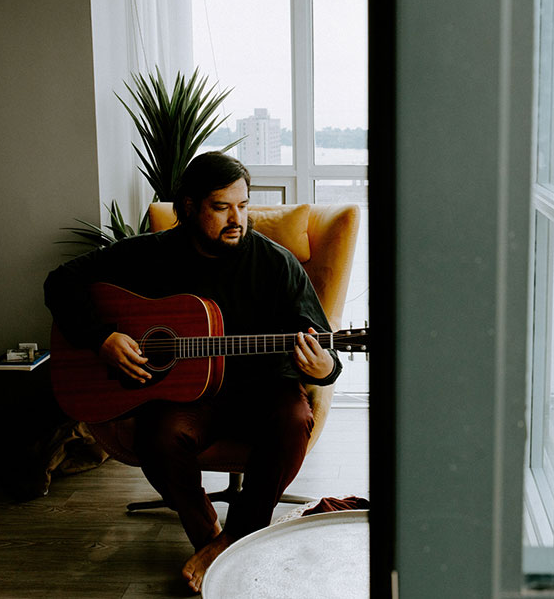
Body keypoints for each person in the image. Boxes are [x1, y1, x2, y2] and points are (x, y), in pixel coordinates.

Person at [44, 151, 341, 593]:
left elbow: (322, 345)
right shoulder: (150, 255)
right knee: (158, 437)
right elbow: (60, 282)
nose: (237, 218)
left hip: (262, 393)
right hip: (187, 396)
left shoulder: (275, 264)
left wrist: (325, 367)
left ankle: (234, 538)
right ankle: (212, 539)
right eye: (221, 207)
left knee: (295, 420)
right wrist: (102, 338)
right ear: (187, 207)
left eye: (243, 205)